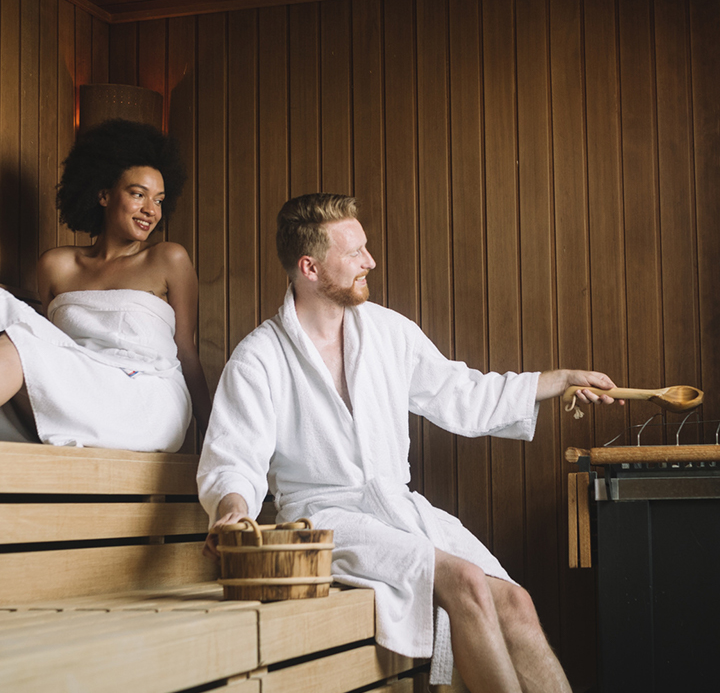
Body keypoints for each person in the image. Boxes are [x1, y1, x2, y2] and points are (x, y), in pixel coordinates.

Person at [197, 193, 622, 693]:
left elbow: (460, 392)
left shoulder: (386, 331)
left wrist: (559, 379)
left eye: (366, 248)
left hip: (396, 507)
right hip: (325, 521)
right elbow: (235, 458)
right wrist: (231, 511)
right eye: (354, 253)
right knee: (465, 583)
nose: (369, 261)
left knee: (516, 602)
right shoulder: (259, 359)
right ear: (310, 267)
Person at [0, 118, 211, 451]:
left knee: (16, 342)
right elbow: (52, 346)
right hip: (79, 384)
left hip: (145, 397)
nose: (150, 210)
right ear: (103, 195)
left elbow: (185, 349)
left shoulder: (168, 259)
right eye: (138, 194)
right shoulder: (56, 265)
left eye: (158, 200)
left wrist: (212, 434)